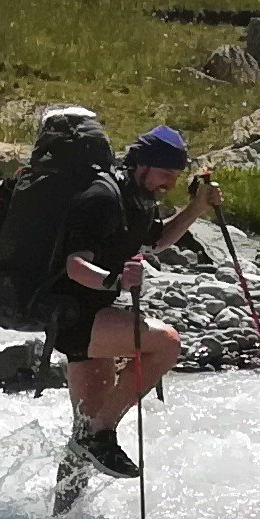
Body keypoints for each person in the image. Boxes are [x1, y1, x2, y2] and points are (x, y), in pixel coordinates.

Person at [50, 122, 215, 496]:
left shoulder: (137, 200)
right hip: (77, 318)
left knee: (83, 428)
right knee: (167, 343)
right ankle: (102, 433)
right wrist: (117, 282)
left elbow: (154, 241)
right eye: (166, 174)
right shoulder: (102, 199)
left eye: (175, 176)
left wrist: (197, 207)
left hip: (87, 318)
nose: (170, 184)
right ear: (142, 165)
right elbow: (76, 266)